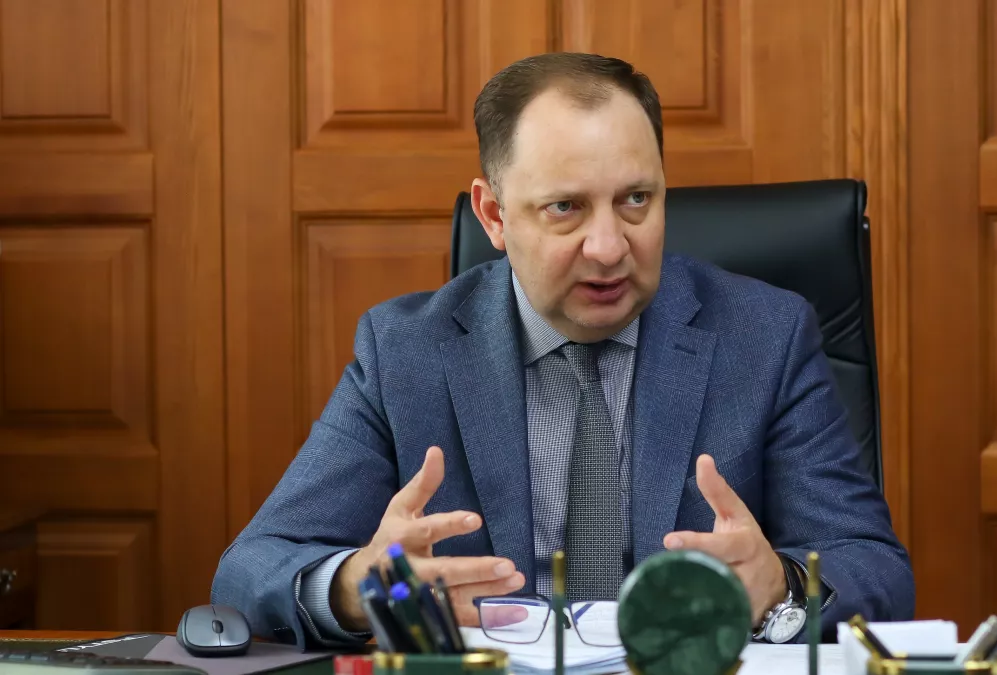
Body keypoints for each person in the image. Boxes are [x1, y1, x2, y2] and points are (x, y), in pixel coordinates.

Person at [210, 52, 914, 649]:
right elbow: (250, 570)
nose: (608, 247)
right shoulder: (406, 352)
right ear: (494, 215)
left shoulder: (764, 335)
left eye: (636, 200)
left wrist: (780, 587)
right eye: (565, 208)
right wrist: (360, 586)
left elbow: (875, 569)